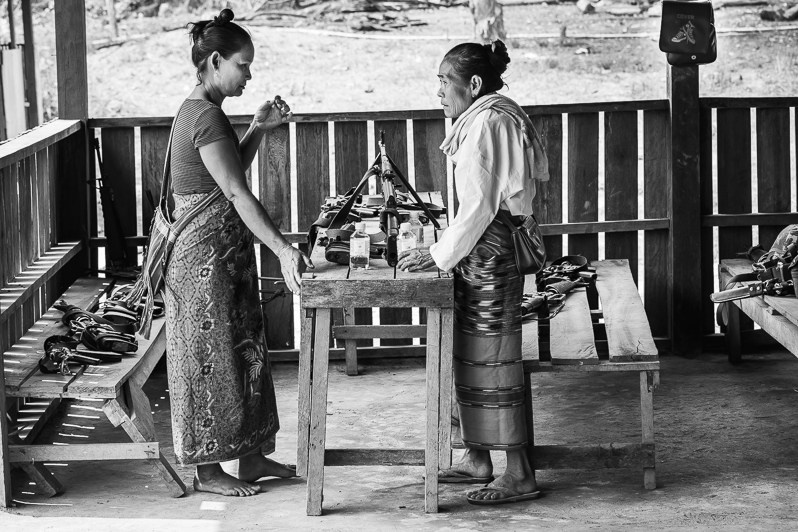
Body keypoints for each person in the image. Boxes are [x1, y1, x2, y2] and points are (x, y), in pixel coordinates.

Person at [164, 8, 313, 497]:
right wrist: (283, 250)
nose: (249, 74)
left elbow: (224, 176)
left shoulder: (206, 111)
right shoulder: (204, 117)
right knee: (211, 362)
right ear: (213, 60)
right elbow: (235, 193)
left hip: (221, 261)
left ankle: (250, 458)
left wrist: (258, 129)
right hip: (201, 266)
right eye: (242, 65)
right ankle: (208, 472)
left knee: (243, 354)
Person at [397, 40, 549, 505]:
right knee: (470, 352)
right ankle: (478, 457)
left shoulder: (488, 122)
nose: (439, 90)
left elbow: (480, 208)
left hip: (492, 253)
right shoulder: (487, 116)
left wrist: (437, 255)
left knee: (494, 357)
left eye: (446, 81)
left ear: (474, 84)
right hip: (481, 253)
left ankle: (520, 472)